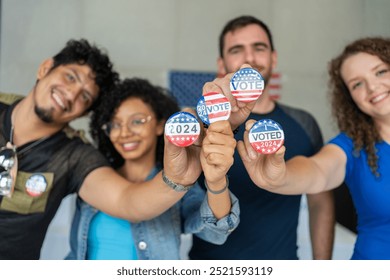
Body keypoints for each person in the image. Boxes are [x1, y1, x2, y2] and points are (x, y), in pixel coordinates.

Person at [0, 39, 205, 260]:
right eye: (70, 77)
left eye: (85, 97)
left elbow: (127, 201)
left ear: (83, 114)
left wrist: (178, 178)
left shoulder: (75, 156)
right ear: (45, 68)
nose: (71, 95)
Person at [189, 15, 335, 260]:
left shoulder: (304, 122)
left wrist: (322, 268)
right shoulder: (204, 122)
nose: (249, 58)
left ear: (273, 58)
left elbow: (320, 201)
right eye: (237, 50)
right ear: (222, 63)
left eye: (259, 48)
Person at [237, 37, 390, 260]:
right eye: (357, 84)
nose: (372, 87)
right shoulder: (352, 147)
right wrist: (279, 177)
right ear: (350, 99)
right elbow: (316, 170)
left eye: (380, 72)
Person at [66, 78, 239, 259]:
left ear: (159, 124)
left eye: (137, 121)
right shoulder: (94, 177)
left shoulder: (178, 185)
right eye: (115, 124)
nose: (124, 133)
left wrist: (216, 181)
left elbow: (216, 232)